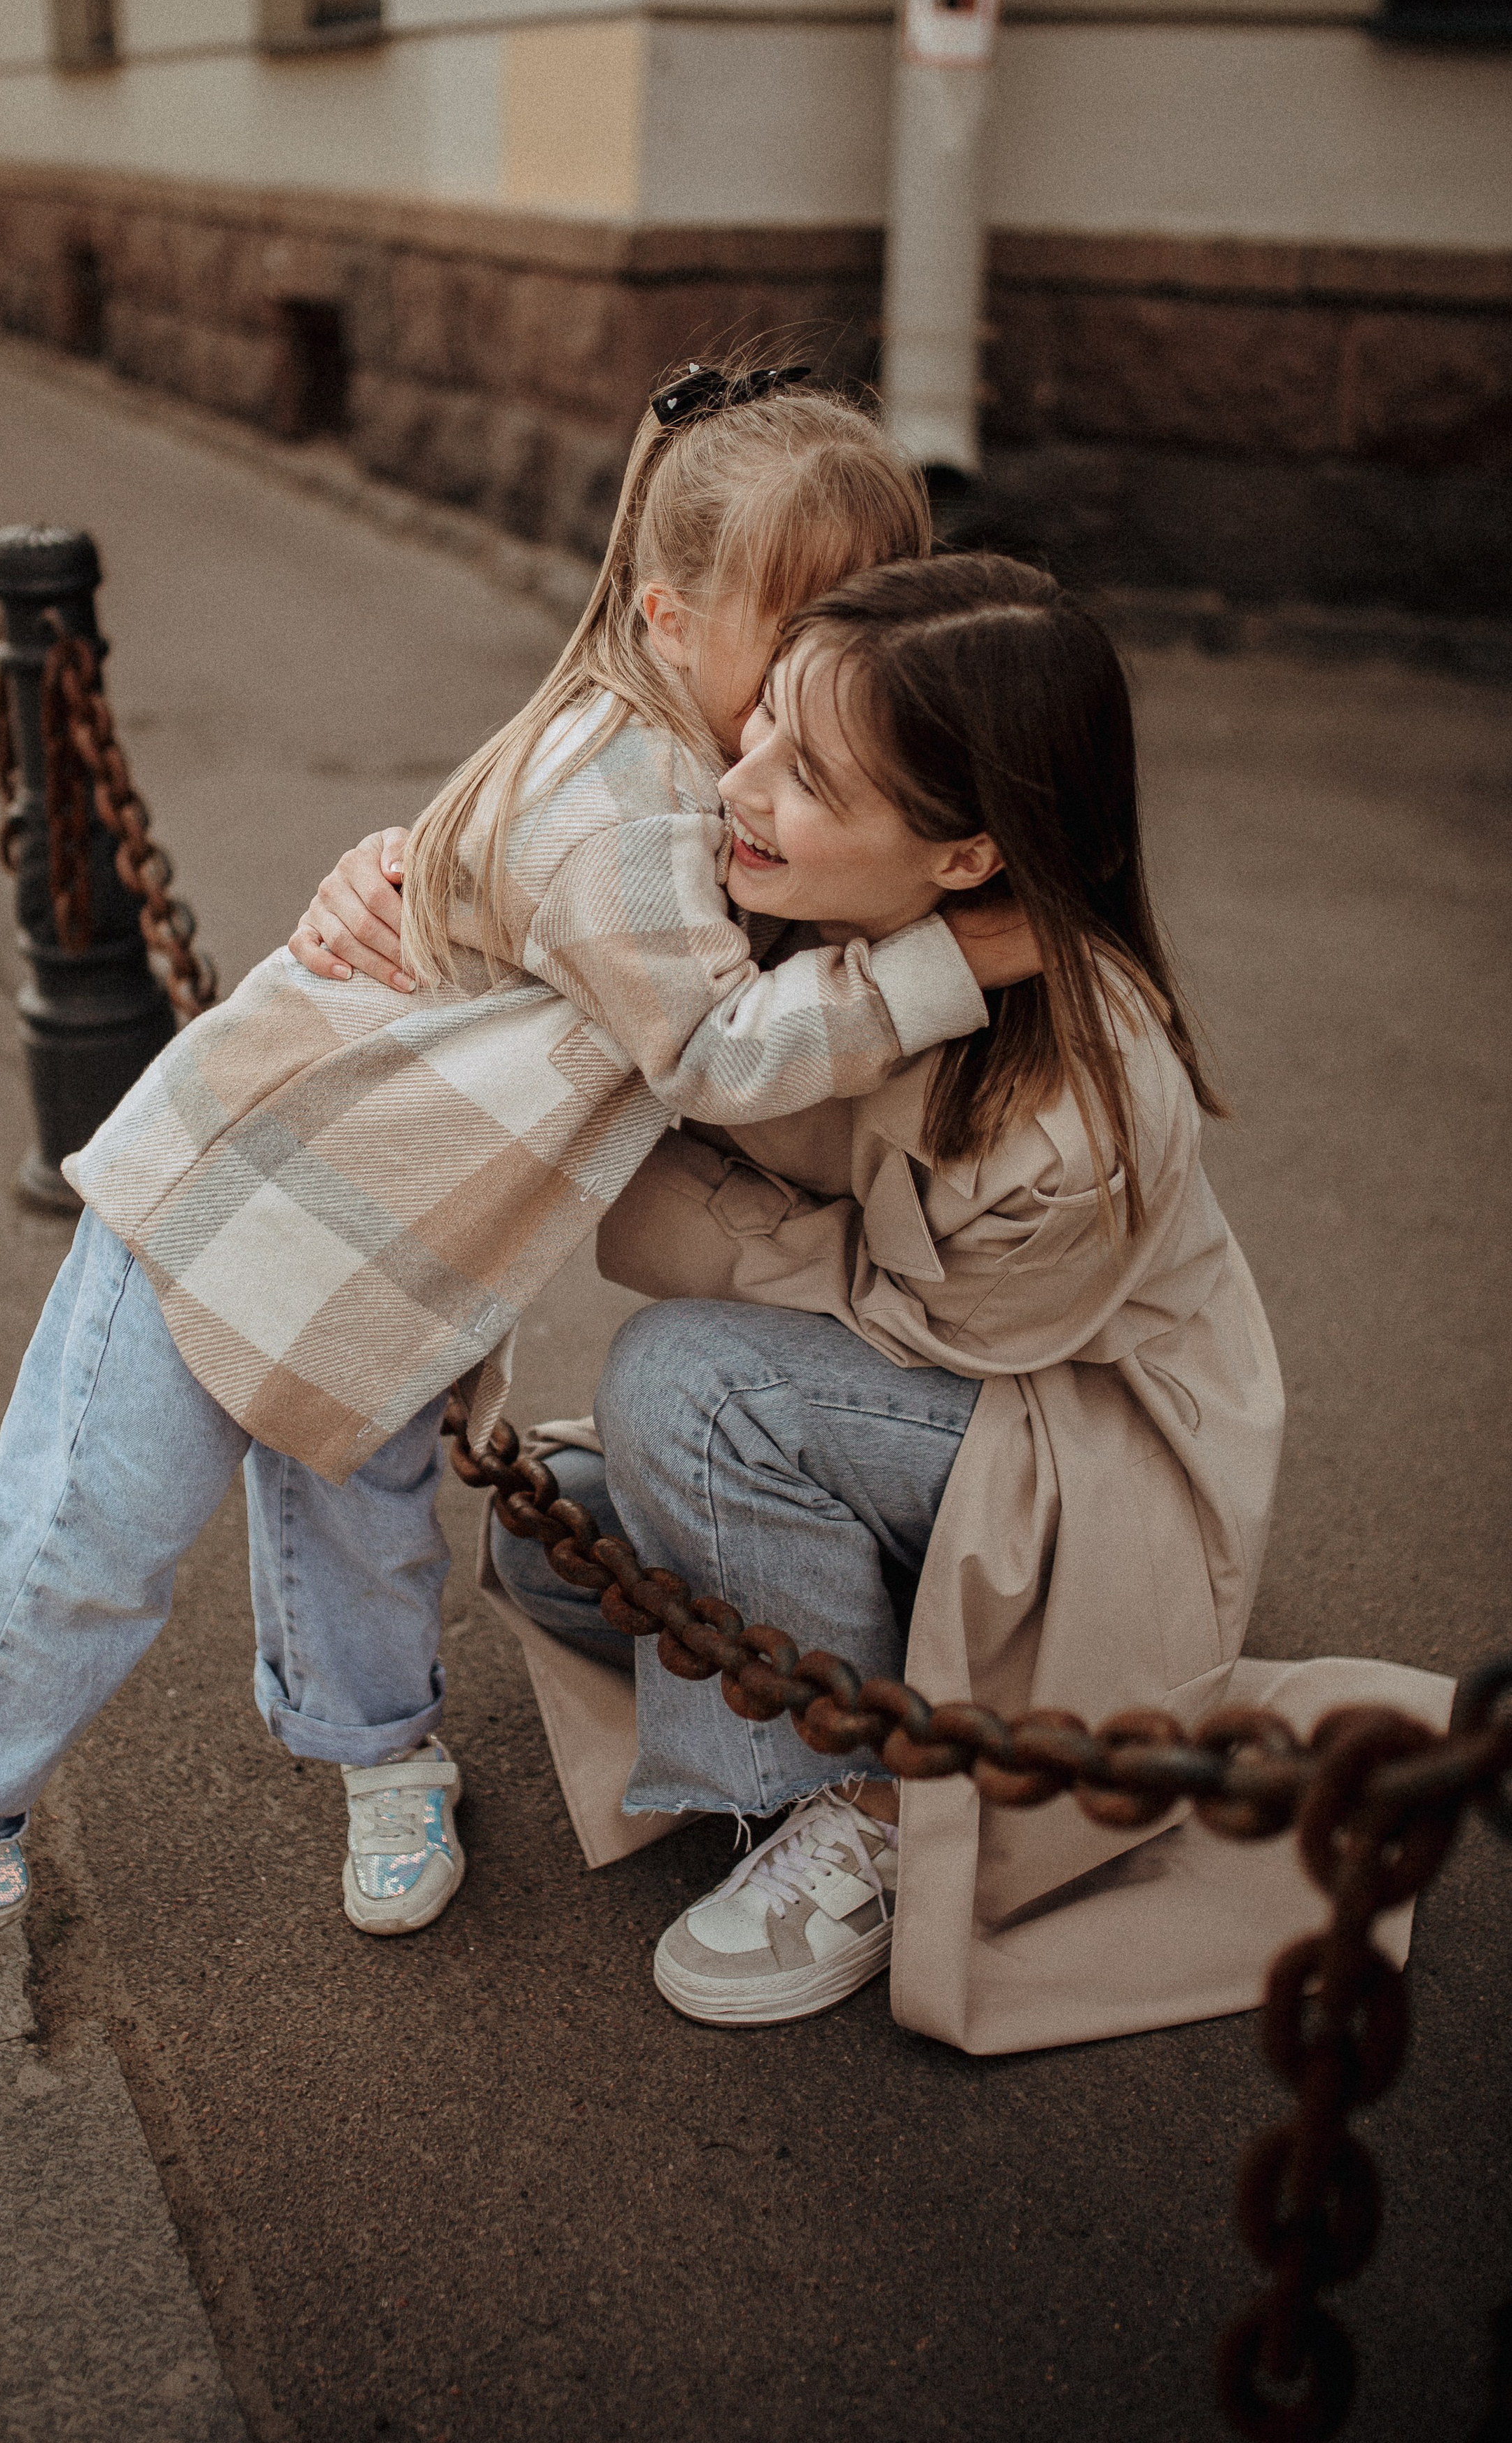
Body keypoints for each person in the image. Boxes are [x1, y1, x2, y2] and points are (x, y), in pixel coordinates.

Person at [0, 367, 1034, 1951]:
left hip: (390, 1236)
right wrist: (956, 958)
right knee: (91, 1524)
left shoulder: (693, 761)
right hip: (238, 1194)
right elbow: (716, 1048)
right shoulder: (634, 807)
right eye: (797, 623)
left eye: (863, 615)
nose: (836, 662)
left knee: (362, 1513)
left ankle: (379, 1750)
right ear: (668, 617)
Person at [309, 553, 1452, 2048]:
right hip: (899, 1392)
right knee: (559, 1556)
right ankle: (795, 1675)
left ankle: (869, 1807)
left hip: (1065, 1450)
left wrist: (692, 1179)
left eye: (812, 777)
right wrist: (388, 873)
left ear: (968, 858)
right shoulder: (765, 890)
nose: (742, 783)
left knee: (682, 1389)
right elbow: (533, 894)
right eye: (763, 722)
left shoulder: (1076, 1113)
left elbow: (919, 1330)